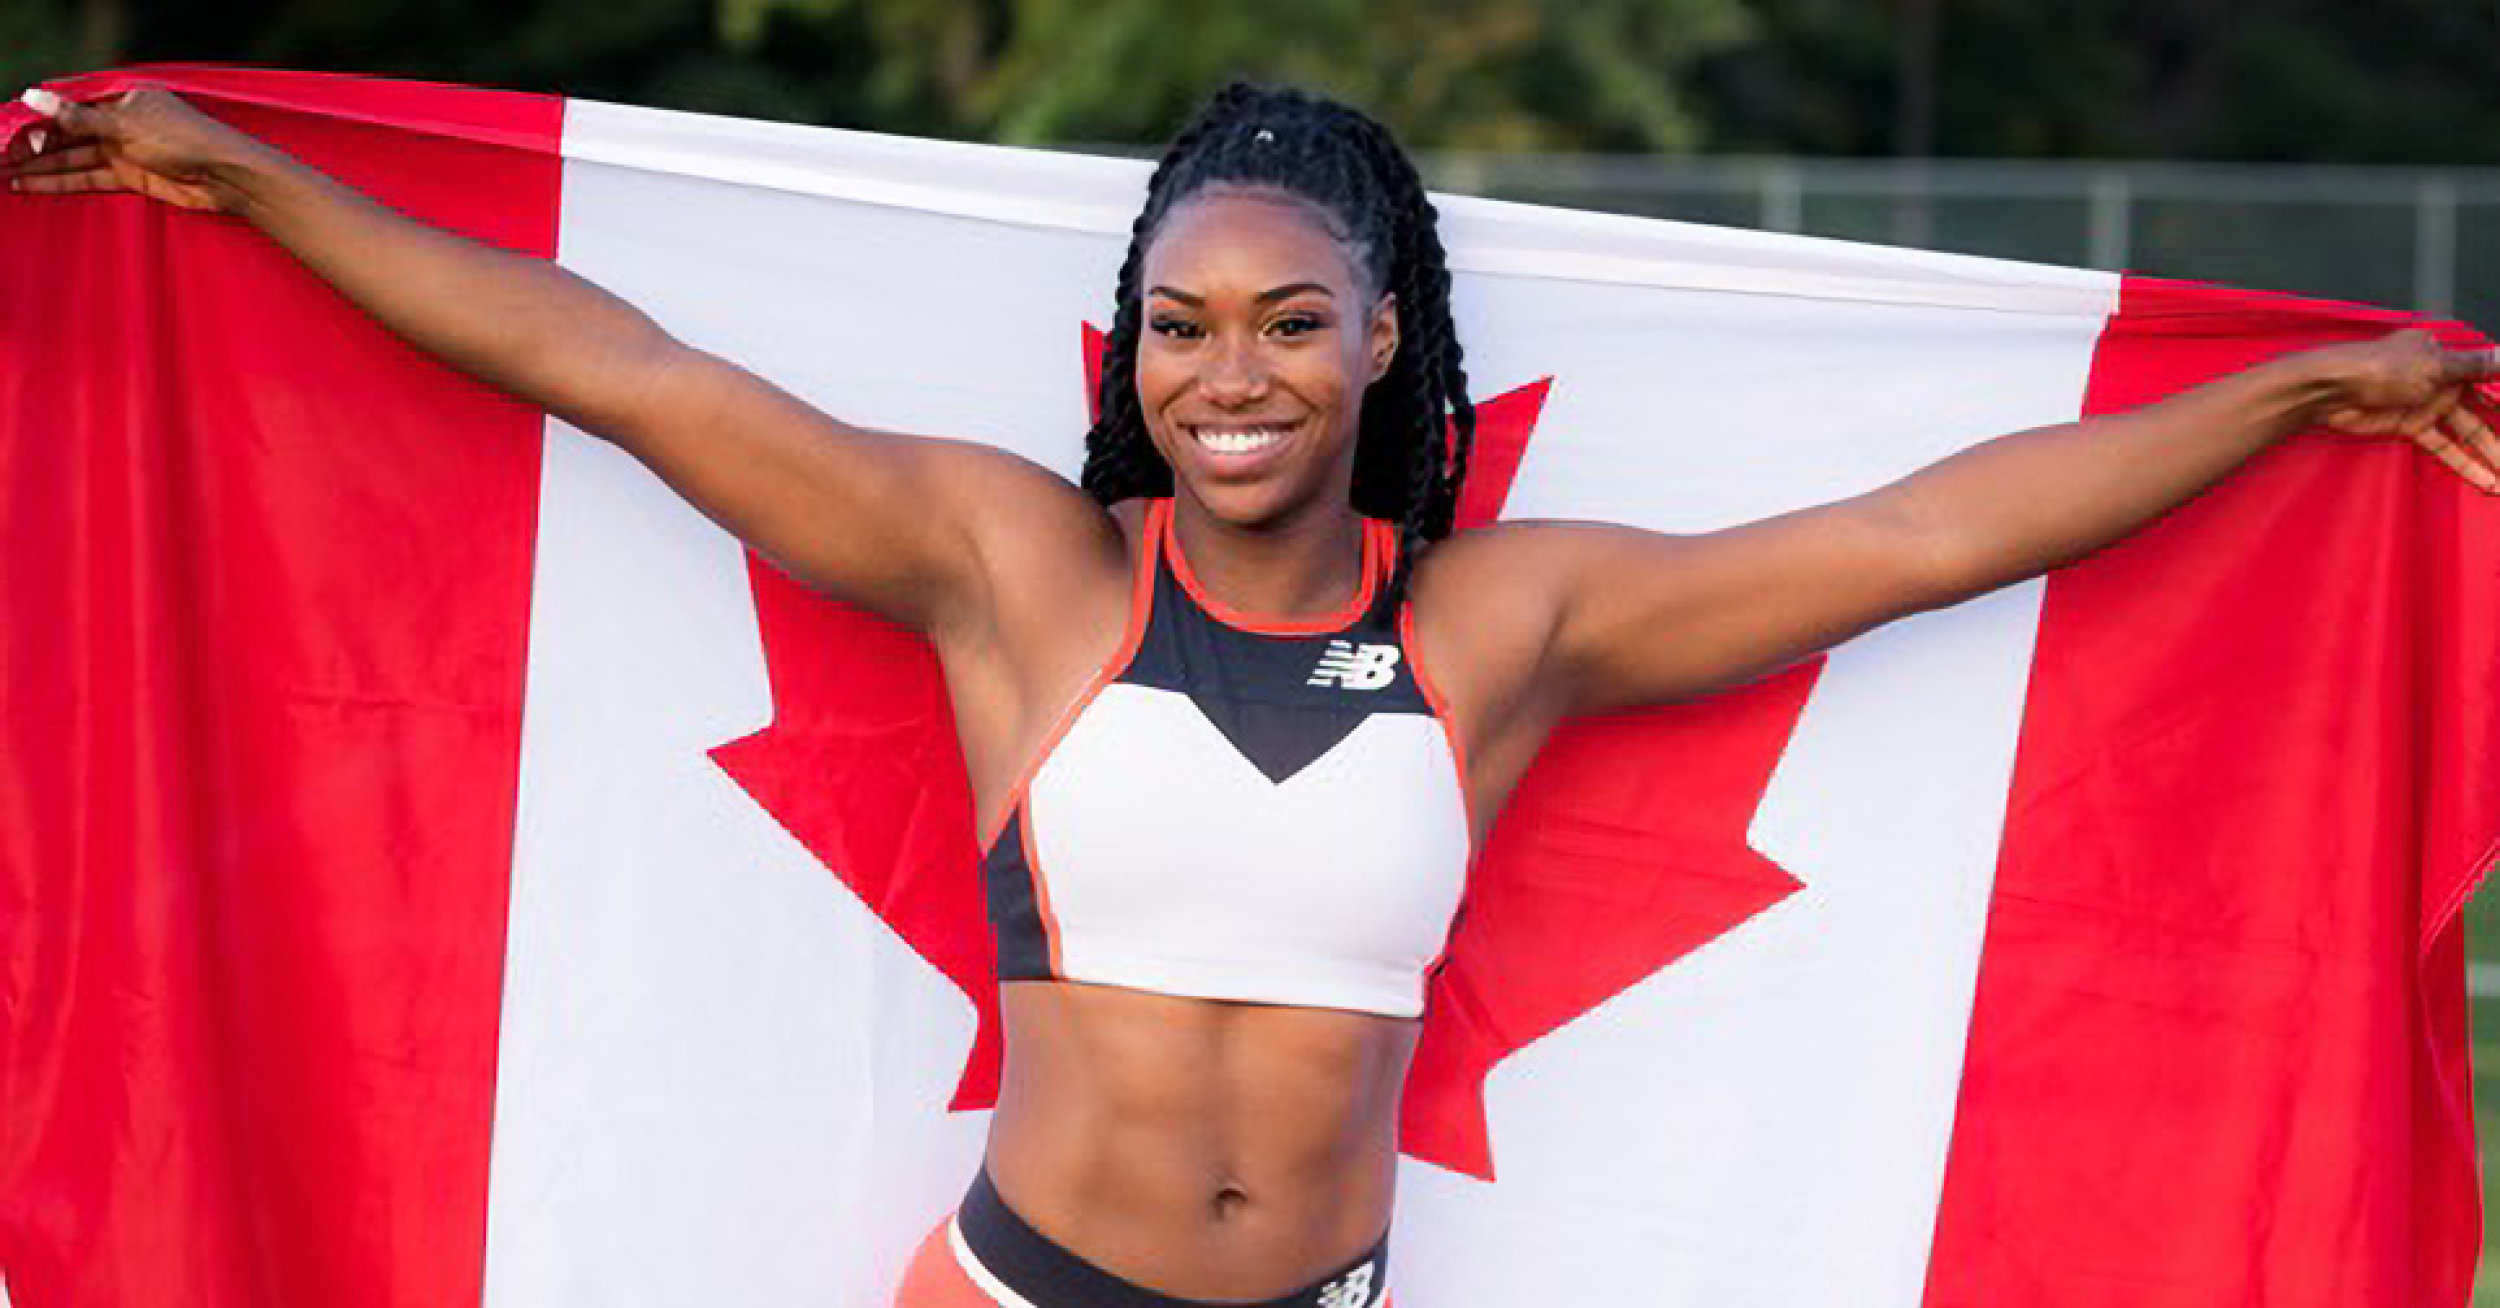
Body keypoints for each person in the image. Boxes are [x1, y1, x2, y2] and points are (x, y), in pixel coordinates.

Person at [10, 78, 2496, 1308]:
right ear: (1128, 349)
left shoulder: (1505, 627)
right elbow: (620, 370)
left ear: (1380, 338)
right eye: (1186, 328)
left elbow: (1920, 538)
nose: (1236, 376)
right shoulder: (1005, 569)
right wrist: (235, 177)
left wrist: (2293, 401)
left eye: (1292, 324)